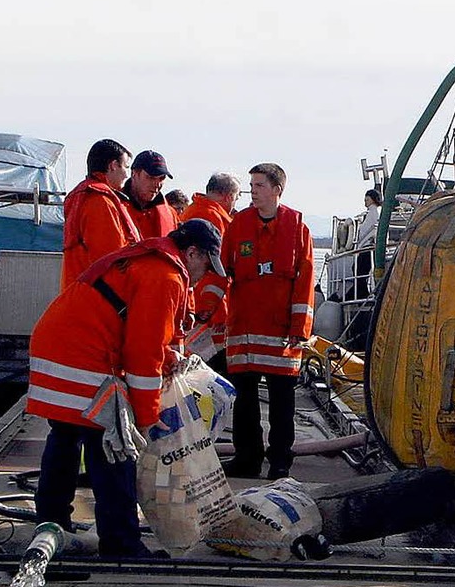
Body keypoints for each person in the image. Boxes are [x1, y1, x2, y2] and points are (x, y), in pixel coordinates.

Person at [28, 221, 225, 558]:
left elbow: (141, 332)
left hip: (56, 347)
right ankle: (121, 546)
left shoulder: (148, 262)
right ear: (192, 253)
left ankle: (51, 523)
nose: (204, 275)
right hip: (85, 357)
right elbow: (142, 356)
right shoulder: (165, 277)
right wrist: (148, 419)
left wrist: (168, 358)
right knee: (115, 448)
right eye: (206, 265)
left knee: (65, 435)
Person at [221, 163, 315, 479]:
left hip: (281, 335)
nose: (253, 192)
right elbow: (221, 274)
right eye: (251, 185)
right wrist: (206, 314)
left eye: (259, 185)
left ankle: (279, 463)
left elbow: (304, 284)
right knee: (244, 403)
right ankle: (247, 459)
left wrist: (299, 330)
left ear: (277, 189)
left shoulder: (298, 229)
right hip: (244, 332)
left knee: (281, 406)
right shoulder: (238, 226)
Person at [182, 173, 241, 372]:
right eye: (237, 196)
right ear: (228, 196)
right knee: (214, 370)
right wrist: (219, 315)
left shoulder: (193, 211)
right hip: (207, 312)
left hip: (194, 304)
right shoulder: (213, 218)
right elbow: (216, 270)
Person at [61, 139, 140, 288]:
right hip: (97, 299)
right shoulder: (99, 201)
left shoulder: (83, 196)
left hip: (79, 293)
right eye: (125, 167)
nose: (126, 176)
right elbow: (112, 258)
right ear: (113, 166)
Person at [123, 150, 178, 239]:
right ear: (134, 174)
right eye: (151, 177)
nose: (157, 184)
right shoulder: (114, 207)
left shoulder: (171, 214)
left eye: (162, 178)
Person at [352, 188, 382, 299]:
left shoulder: (373, 212)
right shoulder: (372, 212)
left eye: (367, 199)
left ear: (373, 199)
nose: (365, 201)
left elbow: (372, 229)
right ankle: (361, 292)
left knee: (359, 269)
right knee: (359, 269)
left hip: (367, 247)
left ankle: (361, 294)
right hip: (366, 246)